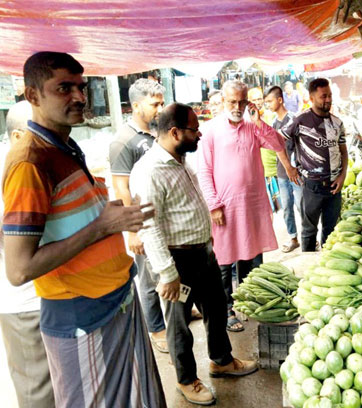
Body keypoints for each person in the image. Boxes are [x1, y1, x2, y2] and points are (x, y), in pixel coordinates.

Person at [3, 51, 165, 407]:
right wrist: (102, 226)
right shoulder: (31, 161)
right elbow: (18, 269)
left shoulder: (64, 145)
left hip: (114, 300)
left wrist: (113, 218)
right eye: (64, 88)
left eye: (81, 86)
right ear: (33, 96)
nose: (79, 96)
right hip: (79, 313)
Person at [130, 103, 258, 406]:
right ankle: (186, 379)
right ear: (175, 132)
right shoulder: (150, 171)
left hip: (202, 253)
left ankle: (221, 360)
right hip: (176, 261)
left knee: (216, 306)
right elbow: (150, 227)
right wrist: (168, 273)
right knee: (178, 323)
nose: (199, 134)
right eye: (193, 129)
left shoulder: (180, 162)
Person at [197, 80, 299, 332]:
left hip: (251, 206)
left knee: (250, 256)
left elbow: (278, 144)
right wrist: (213, 204)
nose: (237, 106)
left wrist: (259, 122)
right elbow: (204, 170)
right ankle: (226, 309)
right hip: (224, 207)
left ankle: (248, 301)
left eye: (242, 101)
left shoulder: (253, 127)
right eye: (232, 101)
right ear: (223, 101)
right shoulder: (210, 130)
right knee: (223, 260)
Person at [0, 101, 55, 408]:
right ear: (21, 136)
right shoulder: (13, 170)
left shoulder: (31, 166)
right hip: (24, 304)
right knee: (39, 392)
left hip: (49, 297)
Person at [109, 78, 169, 353]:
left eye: (161, 102)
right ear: (136, 105)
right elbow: (121, 186)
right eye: (154, 103)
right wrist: (132, 230)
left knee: (167, 268)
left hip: (164, 218)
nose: (160, 108)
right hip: (142, 223)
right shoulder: (124, 141)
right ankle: (156, 328)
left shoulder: (157, 133)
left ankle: (173, 312)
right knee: (148, 276)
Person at [281, 78, 348, 252]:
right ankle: (309, 264)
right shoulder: (300, 120)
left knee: (331, 230)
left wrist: (342, 176)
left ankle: (327, 263)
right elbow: (278, 141)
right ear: (311, 98)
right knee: (309, 230)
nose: (328, 100)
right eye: (323, 96)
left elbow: (343, 151)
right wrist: (289, 167)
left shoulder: (337, 123)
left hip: (334, 187)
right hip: (312, 186)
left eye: (330, 95)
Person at [265, 86, 302, 253]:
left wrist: (294, 167)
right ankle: (293, 237)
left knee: (302, 206)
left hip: (296, 171)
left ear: (279, 100)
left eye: (269, 101)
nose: (267, 105)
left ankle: (311, 237)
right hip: (282, 172)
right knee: (287, 206)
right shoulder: (273, 122)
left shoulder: (293, 119)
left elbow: (300, 146)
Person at [250, 87, 279, 212]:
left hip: (273, 164)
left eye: (260, 98)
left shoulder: (271, 116)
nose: (258, 102)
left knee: (279, 207)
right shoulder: (246, 121)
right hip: (256, 169)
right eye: (254, 99)